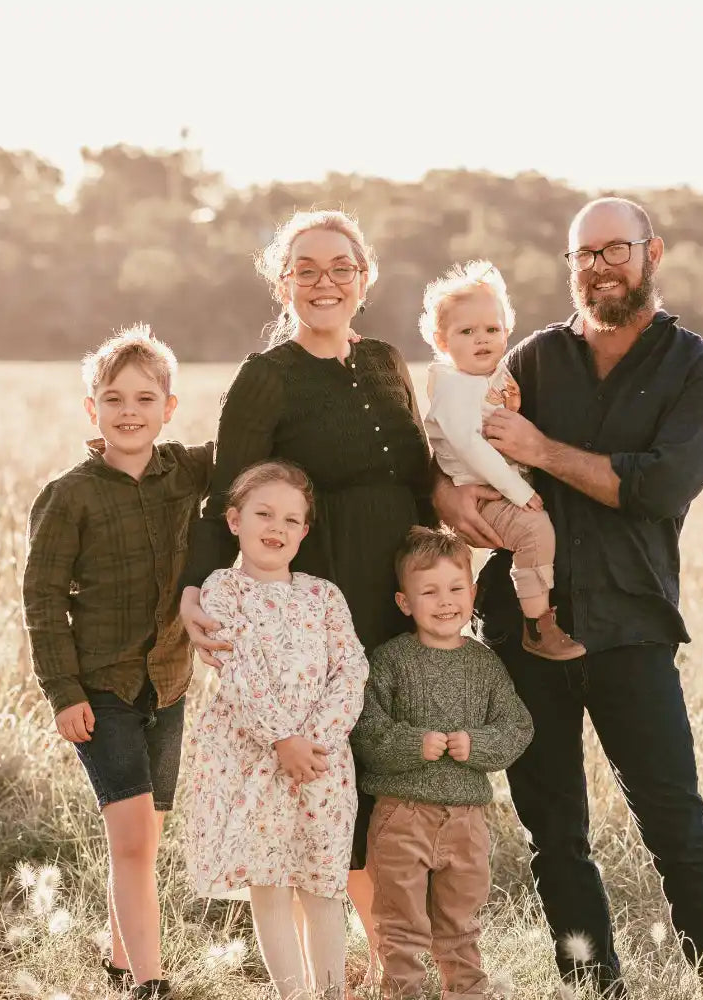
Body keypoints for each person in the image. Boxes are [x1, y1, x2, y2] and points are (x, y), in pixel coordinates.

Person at [433, 198, 703, 999]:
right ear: (569, 266)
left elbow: (656, 487)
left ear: (654, 255)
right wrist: (451, 502)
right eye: (584, 254)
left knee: (678, 829)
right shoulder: (533, 360)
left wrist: (542, 450)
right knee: (554, 837)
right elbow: (454, 446)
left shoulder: (698, 370)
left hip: (632, 627)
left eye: (616, 249)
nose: (599, 265)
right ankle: (590, 986)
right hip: (521, 627)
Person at [178, 209, 434, 983]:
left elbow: (421, 478)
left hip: (401, 597)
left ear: (366, 279)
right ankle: (340, 973)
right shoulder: (269, 376)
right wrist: (195, 589)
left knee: (389, 775)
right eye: (306, 269)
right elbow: (229, 489)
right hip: (321, 605)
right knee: (325, 775)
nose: (325, 282)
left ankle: (397, 960)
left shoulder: (389, 360)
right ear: (282, 283)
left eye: (341, 267)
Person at [21, 327, 212, 1000]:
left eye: (144, 398)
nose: (129, 411)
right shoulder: (69, 495)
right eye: (113, 399)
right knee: (131, 838)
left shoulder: (187, 472)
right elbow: (42, 599)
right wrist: (62, 691)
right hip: (100, 689)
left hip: (169, 682)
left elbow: (260, 447)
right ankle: (151, 981)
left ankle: (117, 957)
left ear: (169, 406)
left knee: (142, 839)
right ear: (91, 409)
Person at [184, 460, 367, 1000]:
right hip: (252, 758)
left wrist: (318, 740)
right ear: (235, 520)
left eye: (291, 519)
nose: (277, 527)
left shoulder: (324, 595)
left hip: (321, 763)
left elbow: (350, 668)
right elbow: (237, 668)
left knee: (322, 882)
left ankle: (332, 993)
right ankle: (293, 995)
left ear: (305, 531)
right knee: (270, 882)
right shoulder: (224, 589)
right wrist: (282, 738)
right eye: (264, 513)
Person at [351, 527, 533, 1000]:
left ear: (472, 593)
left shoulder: (485, 665)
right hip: (401, 817)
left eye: (456, 589)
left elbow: (517, 728)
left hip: (466, 823)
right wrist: (414, 744)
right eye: (428, 591)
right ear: (405, 602)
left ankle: (468, 993)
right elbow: (366, 731)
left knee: (459, 927)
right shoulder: (390, 661)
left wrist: (477, 745)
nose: (445, 601)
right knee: (401, 926)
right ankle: (401, 992)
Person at [419, 260, 584, 660]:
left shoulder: (484, 380)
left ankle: (537, 612)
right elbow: (471, 446)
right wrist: (519, 490)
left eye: (492, 330)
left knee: (537, 533)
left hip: (498, 486)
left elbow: (493, 419)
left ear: (507, 332)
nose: (482, 339)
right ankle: (538, 624)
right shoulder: (454, 388)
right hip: (485, 493)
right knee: (535, 533)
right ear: (443, 341)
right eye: (467, 331)